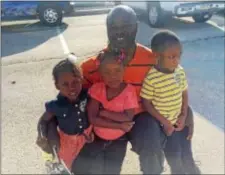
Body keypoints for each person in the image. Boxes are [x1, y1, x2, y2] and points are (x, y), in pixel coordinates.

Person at [42, 5, 195, 174]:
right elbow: (69, 96)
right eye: (114, 27)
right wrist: (48, 125)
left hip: (144, 118)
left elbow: (174, 84)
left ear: (136, 27)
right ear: (107, 30)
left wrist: (187, 111)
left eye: (126, 26)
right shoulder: (93, 66)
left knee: (152, 146)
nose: (119, 32)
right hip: (105, 122)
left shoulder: (153, 60)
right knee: (95, 167)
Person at [140, 30, 200, 174]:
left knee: (187, 156)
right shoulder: (152, 78)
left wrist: (184, 115)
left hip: (181, 122)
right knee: (175, 160)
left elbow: (184, 92)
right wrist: (165, 122)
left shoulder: (179, 71)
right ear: (157, 56)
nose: (176, 60)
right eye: (171, 57)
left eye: (179, 56)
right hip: (166, 128)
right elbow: (146, 103)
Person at [72, 50, 139, 174]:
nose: (113, 76)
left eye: (117, 71)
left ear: (124, 70)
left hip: (118, 140)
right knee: (79, 166)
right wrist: (119, 125)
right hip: (97, 137)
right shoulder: (97, 89)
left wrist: (104, 113)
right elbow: (92, 118)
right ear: (101, 74)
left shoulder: (129, 91)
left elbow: (128, 117)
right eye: (107, 72)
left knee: (112, 170)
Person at [36, 57, 93, 172]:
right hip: (66, 143)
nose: (71, 87)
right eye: (65, 84)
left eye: (75, 82)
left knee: (86, 167)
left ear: (81, 79)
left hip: (86, 139)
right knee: (66, 167)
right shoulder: (56, 105)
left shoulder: (87, 95)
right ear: (57, 86)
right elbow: (43, 121)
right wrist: (41, 135)